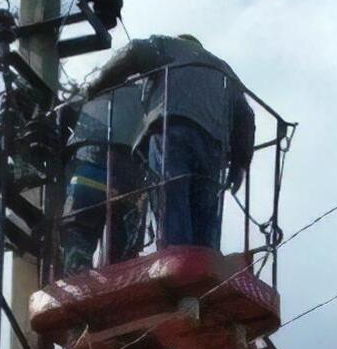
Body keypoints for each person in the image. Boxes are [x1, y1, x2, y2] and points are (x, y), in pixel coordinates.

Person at [86, 34, 254, 251]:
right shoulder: (223, 69)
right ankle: (205, 256)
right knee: (204, 206)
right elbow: (245, 116)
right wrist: (240, 163)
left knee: (170, 193)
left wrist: (97, 85)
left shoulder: (169, 46)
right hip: (213, 146)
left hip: (171, 129)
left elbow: (134, 50)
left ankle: (173, 252)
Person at [62, 83, 146, 273]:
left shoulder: (91, 93)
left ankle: (78, 275)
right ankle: (120, 278)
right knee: (121, 256)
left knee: (77, 237)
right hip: (127, 183)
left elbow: (64, 115)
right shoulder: (145, 96)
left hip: (86, 173)